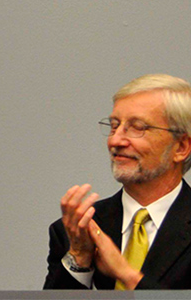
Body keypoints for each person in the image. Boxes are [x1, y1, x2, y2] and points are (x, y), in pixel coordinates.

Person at [45, 73, 191, 290]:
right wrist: (79, 258)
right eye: (114, 126)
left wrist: (126, 274)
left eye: (137, 127)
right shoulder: (78, 229)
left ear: (181, 148)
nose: (115, 140)